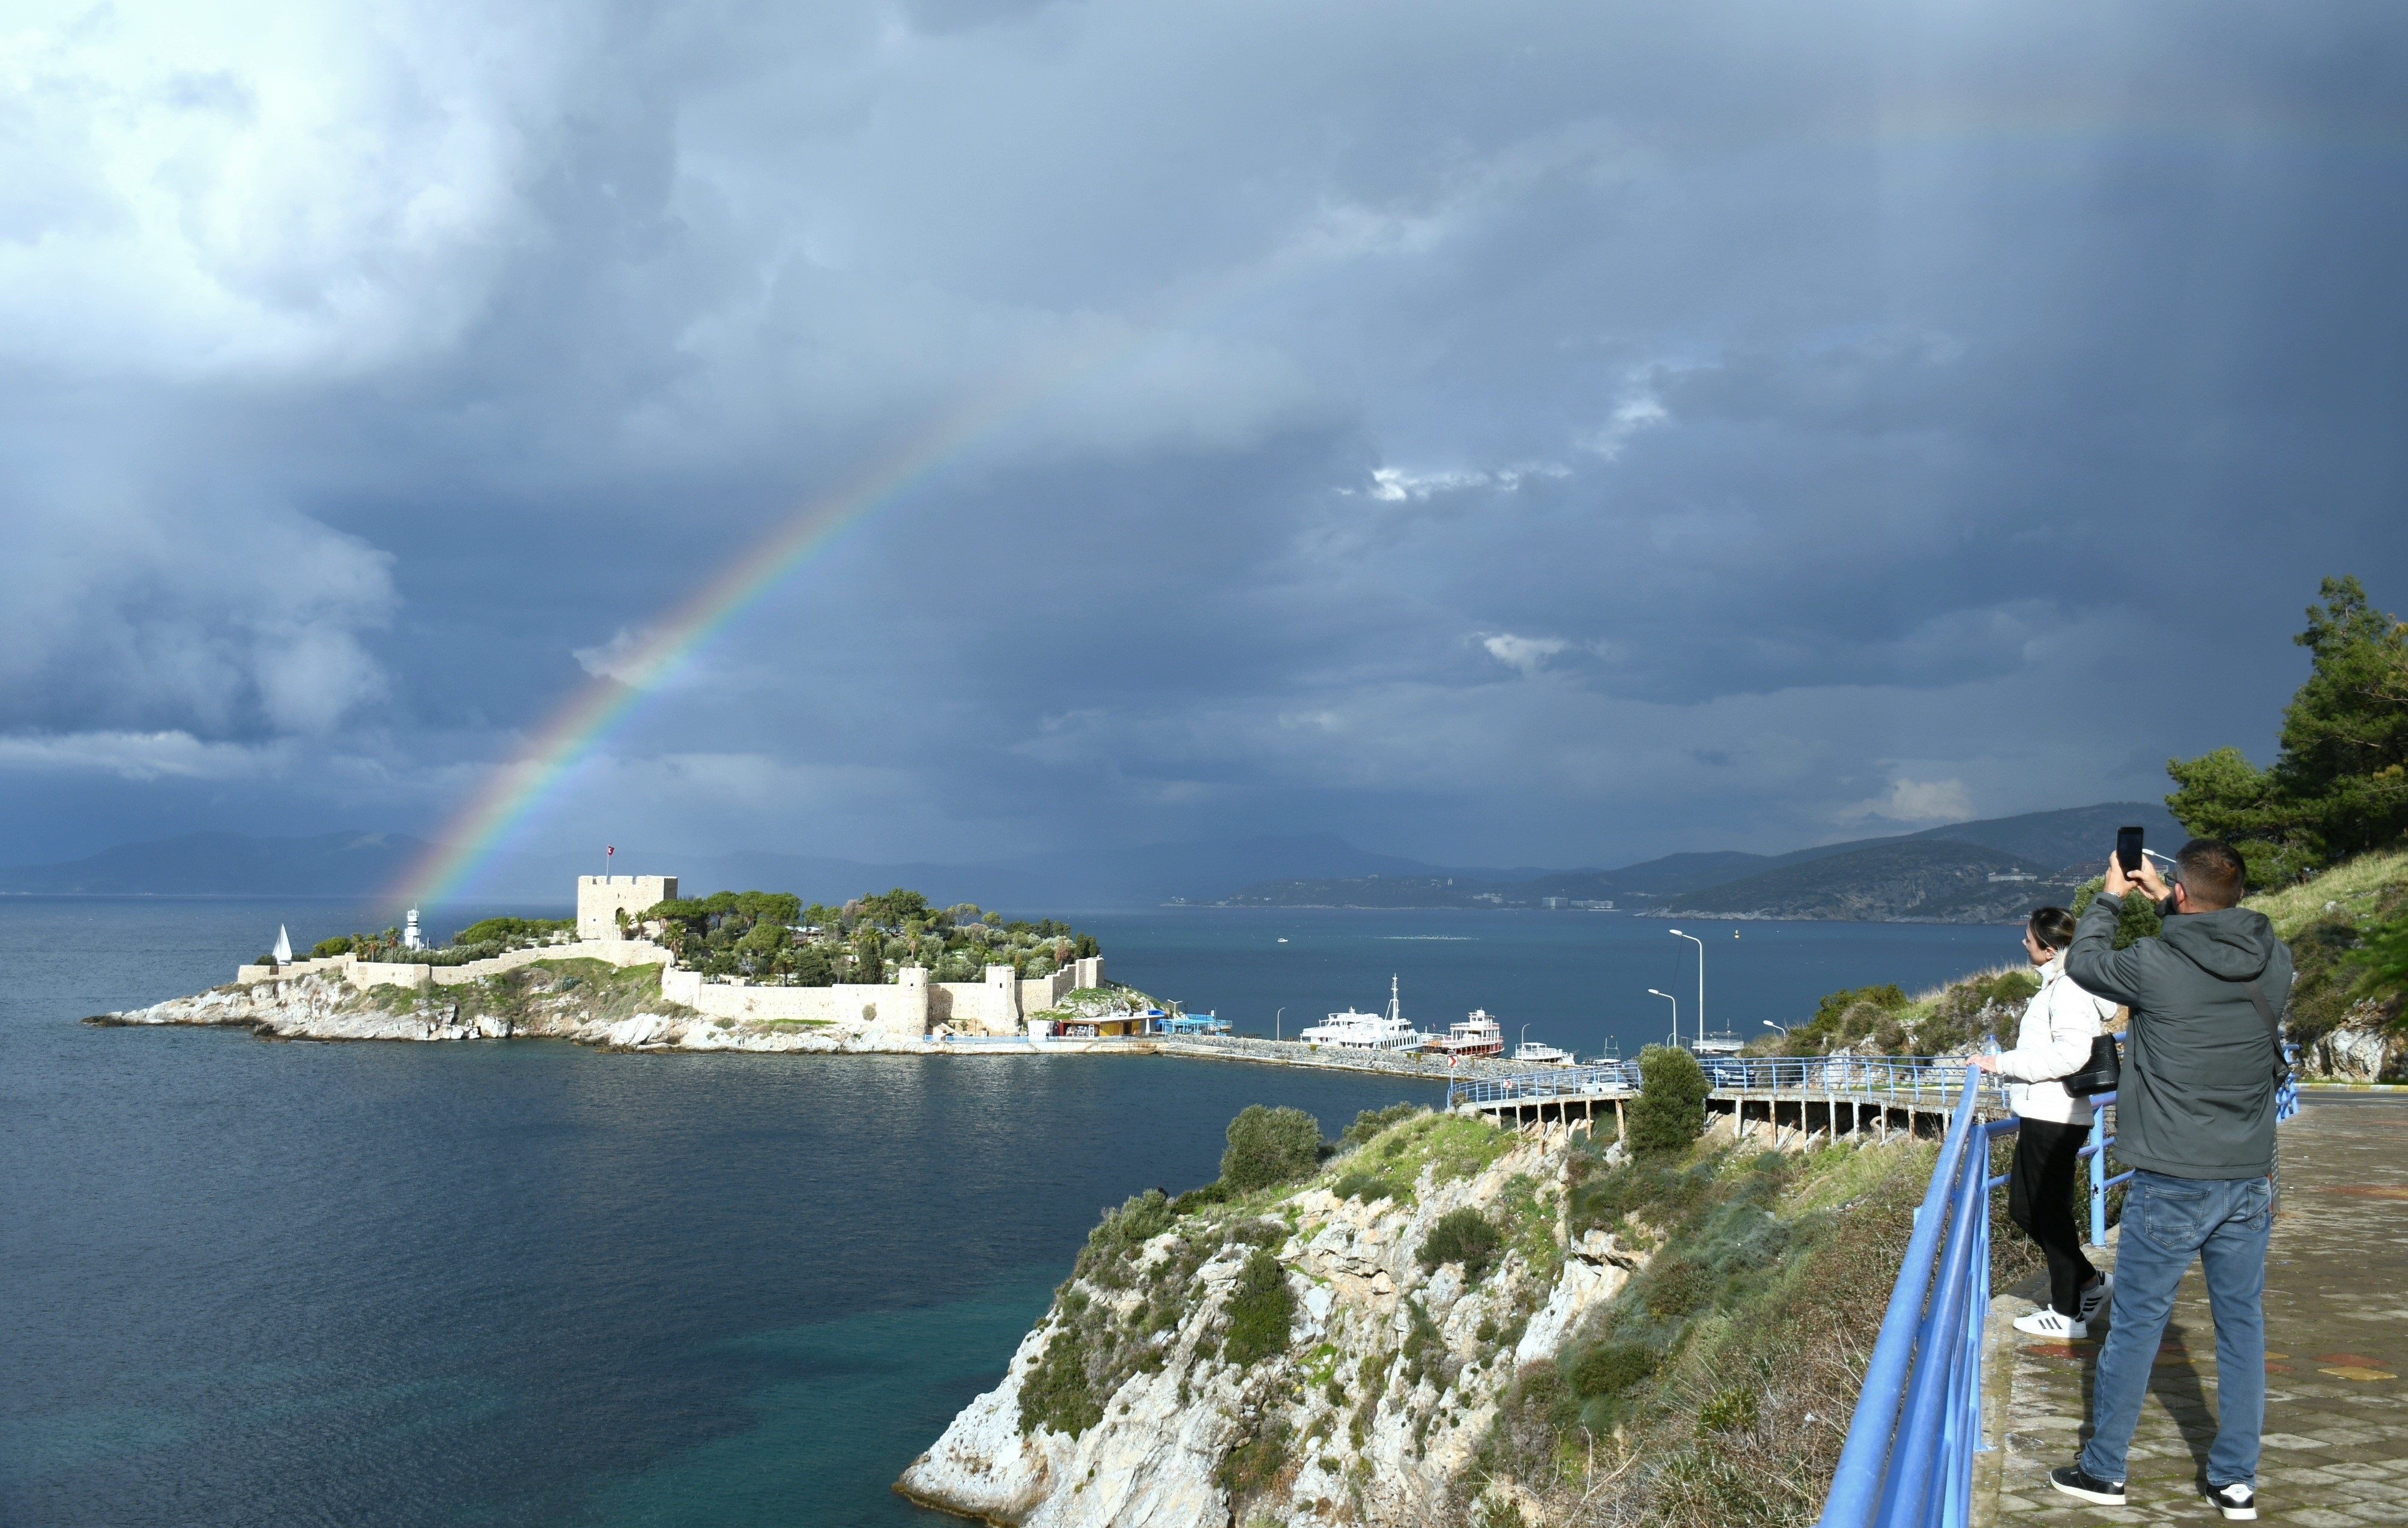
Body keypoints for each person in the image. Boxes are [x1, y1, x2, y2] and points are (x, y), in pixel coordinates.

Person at [2046, 838, 2293, 1523]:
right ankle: (2235, 1481)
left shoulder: (2154, 960)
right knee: (2241, 1326)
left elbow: (2088, 963)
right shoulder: (2275, 959)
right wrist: (2172, 907)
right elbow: (2211, 953)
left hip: (2171, 1179)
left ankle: (2103, 1470)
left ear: (2179, 892)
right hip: (2246, 1177)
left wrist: (2112, 896)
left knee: (2135, 1325)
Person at [1974, 906, 2117, 1338]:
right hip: (2046, 1113)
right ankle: (2089, 1283)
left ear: (2049, 947)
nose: (2023, 943)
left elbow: (2072, 1054)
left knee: (2049, 1213)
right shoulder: (2061, 983)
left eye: (2029, 938)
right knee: (2026, 1208)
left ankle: (2066, 1313)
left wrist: (2000, 1063)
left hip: (2054, 1114)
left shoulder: (2068, 988)